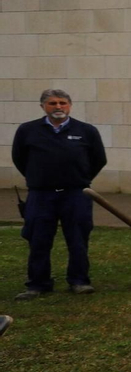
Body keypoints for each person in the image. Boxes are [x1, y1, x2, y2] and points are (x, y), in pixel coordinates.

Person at [12, 89, 106, 300]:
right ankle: (38, 284)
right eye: (52, 103)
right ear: (43, 106)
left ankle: (79, 281)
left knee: (78, 239)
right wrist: (39, 178)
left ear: (70, 105)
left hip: (76, 194)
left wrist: (79, 177)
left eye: (62, 103)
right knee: (38, 240)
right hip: (41, 195)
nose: (58, 107)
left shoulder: (86, 130)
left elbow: (99, 159)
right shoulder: (28, 130)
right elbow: (19, 158)